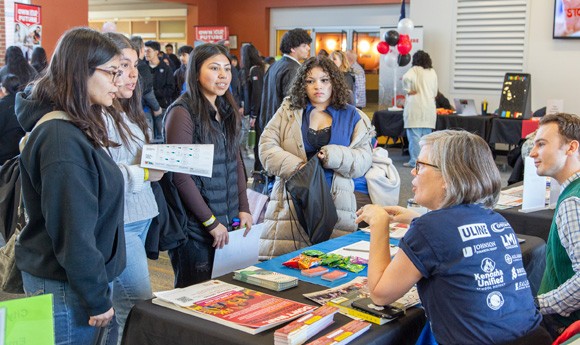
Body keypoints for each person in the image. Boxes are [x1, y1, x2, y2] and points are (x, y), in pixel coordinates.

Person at [356, 130, 551, 345]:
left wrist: (379, 224)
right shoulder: (495, 219)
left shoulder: (429, 229)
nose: (412, 172)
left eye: (420, 165)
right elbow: (456, 238)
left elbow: (379, 294)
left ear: (448, 177)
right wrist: (416, 219)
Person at [15, 27, 126, 345]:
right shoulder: (61, 139)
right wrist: (96, 296)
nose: (118, 83)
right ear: (81, 71)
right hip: (65, 286)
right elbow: (73, 231)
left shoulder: (75, 125)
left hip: (74, 281)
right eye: (112, 73)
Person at [258, 56, 373, 260]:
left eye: (324, 80)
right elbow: (266, 147)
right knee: (285, 269)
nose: (317, 86)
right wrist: (298, 166)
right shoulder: (289, 111)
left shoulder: (353, 116)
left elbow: (363, 161)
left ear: (334, 82)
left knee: (331, 270)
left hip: (336, 202)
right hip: (291, 201)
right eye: (310, 81)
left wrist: (334, 155)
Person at [164, 43, 252, 287]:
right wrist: (210, 221)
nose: (223, 75)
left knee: (226, 297)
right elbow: (179, 175)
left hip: (228, 224)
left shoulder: (225, 110)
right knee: (194, 300)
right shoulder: (182, 112)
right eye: (214, 68)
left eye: (227, 68)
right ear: (195, 73)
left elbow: (236, 163)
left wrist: (243, 207)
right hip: (195, 231)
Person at [101, 32, 165, 345]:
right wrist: (143, 172)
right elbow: (102, 174)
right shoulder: (96, 113)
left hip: (140, 215)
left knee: (123, 308)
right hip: (120, 222)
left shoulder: (126, 110)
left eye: (135, 65)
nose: (132, 74)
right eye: (123, 66)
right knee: (138, 307)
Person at [530, 113, 580, 338]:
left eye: (541, 144)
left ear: (571, 148)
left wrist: (539, 304)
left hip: (565, 326)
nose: (532, 153)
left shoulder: (573, 202)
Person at [258, 28, 312, 173]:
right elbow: (293, 104)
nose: (308, 48)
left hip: (268, 121)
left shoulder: (276, 64)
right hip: (282, 128)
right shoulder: (294, 69)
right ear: (293, 48)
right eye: (304, 45)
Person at [401, 50, 437, 168]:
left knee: (414, 138)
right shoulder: (432, 72)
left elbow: (405, 78)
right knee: (427, 139)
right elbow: (435, 92)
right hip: (429, 108)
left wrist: (409, 90)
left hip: (415, 108)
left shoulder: (414, 70)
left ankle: (415, 161)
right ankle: (426, 161)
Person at [239, 43, 265, 168]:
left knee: (257, 141)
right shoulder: (258, 68)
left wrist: (254, 114)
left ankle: (258, 169)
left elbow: (257, 94)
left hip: (258, 113)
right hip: (257, 112)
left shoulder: (255, 70)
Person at [144, 40, 175, 139]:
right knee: (148, 137)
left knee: (161, 136)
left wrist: (155, 94)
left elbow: (171, 88)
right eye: (144, 51)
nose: (146, 53)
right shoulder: (142, 68)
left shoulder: (166, 68)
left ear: (156, 52)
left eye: (148, 51)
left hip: (162, 107)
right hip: (145, 108)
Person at [130, 36, 162, 129]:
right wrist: (157, 107)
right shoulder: (142, 66)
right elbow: (147, 91)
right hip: (141, 110)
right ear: (141, 48)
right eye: (144, 49)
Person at [0, 74, 25, 164]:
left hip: (4, 155)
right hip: (21, 151)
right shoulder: (23, 101)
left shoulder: (2, 105)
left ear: (4, 89)